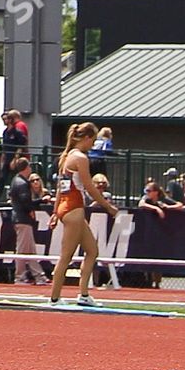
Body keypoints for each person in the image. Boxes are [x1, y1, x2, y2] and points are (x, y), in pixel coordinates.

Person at [47, 122, 118, 307]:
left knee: (92, 251)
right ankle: (54, 298)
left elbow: (59, 189)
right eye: (93, 140)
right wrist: (107, 206)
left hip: (66, 207)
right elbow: (89, 187)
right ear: (86, 138)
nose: (93, 145)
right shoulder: (80, 158)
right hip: (74, 208)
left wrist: (55, 212)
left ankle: (84, 294)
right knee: (66, 255)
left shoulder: (67, 156)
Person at [9, 157, 48, 285]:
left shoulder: (17, 181)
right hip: (22, 219)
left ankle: (39, 276)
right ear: (27, 168)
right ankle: (19, 277)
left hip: (21, 218)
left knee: (30, 249)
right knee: (22, 249)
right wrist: (41, 201)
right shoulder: (22, 183)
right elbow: (26, 202)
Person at [0, 110, 28, 178]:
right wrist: (2, 159)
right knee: (2, 179)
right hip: (7, 158)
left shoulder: (18, 130)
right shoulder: (5, 132)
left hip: (15, 159)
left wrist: (15, 159)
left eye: (5, 119)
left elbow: (20, 146)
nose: (4, 121)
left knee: (16, 177)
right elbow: (4, 146)